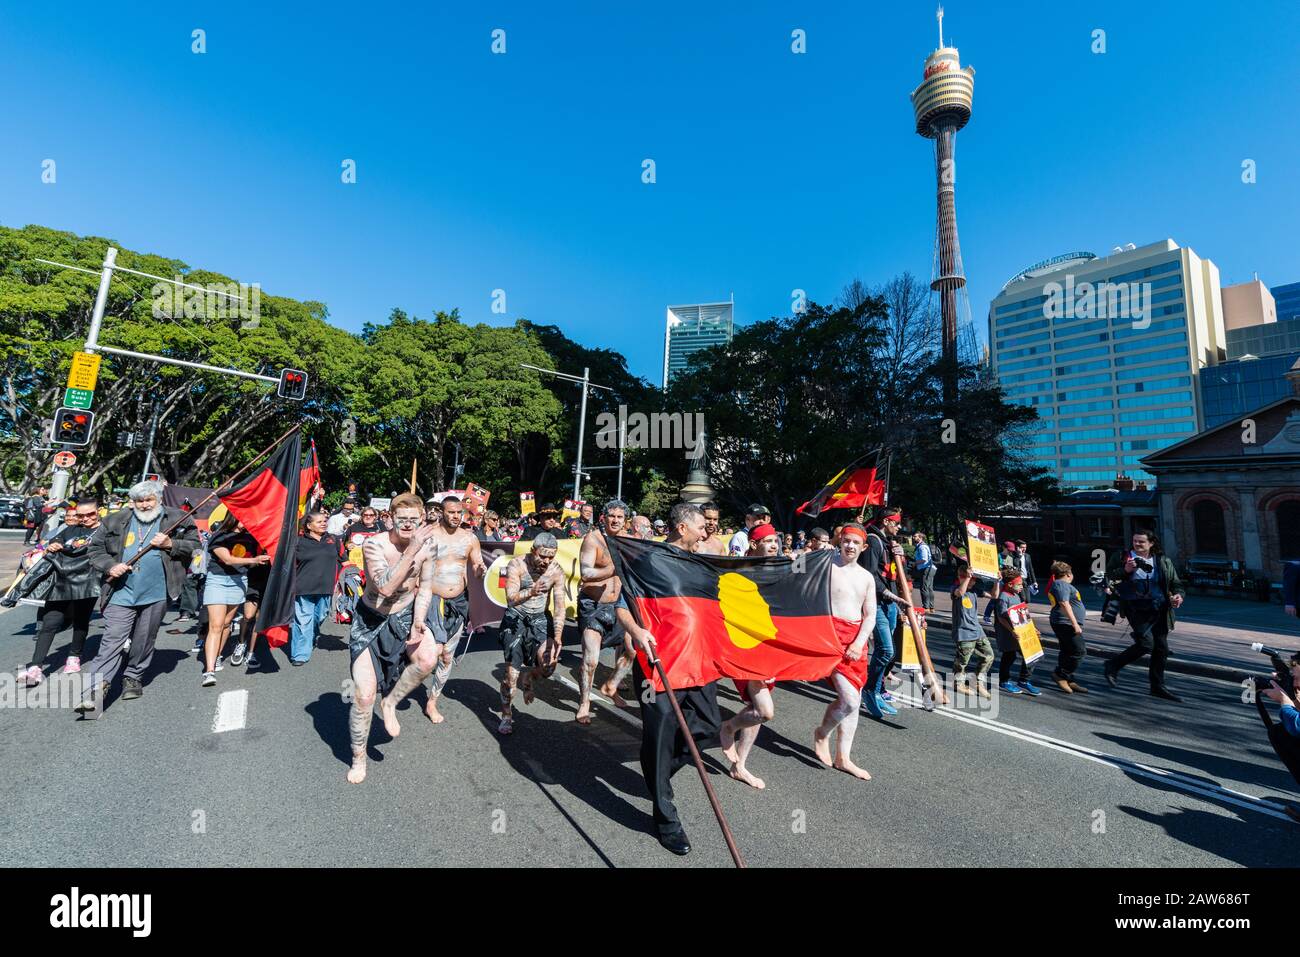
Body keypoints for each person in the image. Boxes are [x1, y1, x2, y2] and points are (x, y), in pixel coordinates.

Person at [615, 502, 721, 856]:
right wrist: (637, 631)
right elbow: (620, 605)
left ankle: (656, 772)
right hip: (657, 666)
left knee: (707, 728)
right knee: (659, 738)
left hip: (698, 662)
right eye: (700, 525)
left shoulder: (702, 565)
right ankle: (666, 820)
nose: (706, 531)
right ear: (680, 527)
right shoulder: (648, 560)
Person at [75, 480, 199, 715]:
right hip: (120, 592)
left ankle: (133, 676)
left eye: (148, 500)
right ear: (132, 502)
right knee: (112, 639)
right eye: (139, 501)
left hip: (157, 592)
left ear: (159, 499)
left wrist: (171, 543)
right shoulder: (115, 519)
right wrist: (110, 566)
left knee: (144, 639)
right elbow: (95, 550)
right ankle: (96, 688)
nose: (144, 505)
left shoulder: (177, 518)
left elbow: (195, 546)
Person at [346, 494, 438, 783]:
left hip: (404, 615)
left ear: (421, 520)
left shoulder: (429, 547)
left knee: (427, 660)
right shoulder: (375, 544)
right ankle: (358, 757)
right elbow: (385, 588)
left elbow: (424, 588)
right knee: (363, 695)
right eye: (402, 520)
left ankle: (391, 703)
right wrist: (411, 550)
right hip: (371, 619)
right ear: (390, 519)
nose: (408, 525)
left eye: (414, 520)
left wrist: (419, 622)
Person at [719, 522, 782, 789]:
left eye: (775, 541)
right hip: (745, 647)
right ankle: (728, 728)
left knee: (756, 708)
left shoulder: (779, 568)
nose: (773, 545)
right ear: (754, 544)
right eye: (767, 541)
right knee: (765, 711)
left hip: (770, 645)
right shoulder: (739, 570)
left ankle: (740, 766)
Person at [812, 522, 877, 781]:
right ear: (840, 541)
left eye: (856, 542)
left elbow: (870, 615)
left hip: (856, 641)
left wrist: (859, 642)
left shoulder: (866, 577)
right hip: (830, 638)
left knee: (855, 702)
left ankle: (843, 758)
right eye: (847, 540)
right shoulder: (825, 566)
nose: (850, 546)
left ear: (864, 547)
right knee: (849, 700)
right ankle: (822, 733)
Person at [15, 501, 102, 685]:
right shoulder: (70, 529)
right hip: (61, 580)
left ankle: (74, 656)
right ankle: (36, 667)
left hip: (87, 581)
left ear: (98, 512)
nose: (85, 518)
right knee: (50, 622)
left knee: (81, 620)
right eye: (80, 515)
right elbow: (54, 540)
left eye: (90, 514)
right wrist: (54, 544)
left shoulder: (105, 531)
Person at [420, 495, 488, 723]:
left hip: (458, 601)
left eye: (459, 513)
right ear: (441, 512)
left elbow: (477, 564)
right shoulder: (428, 535)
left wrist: (480, 570)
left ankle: (432, 700)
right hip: (431, 600)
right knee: (432, 652)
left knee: (447, 656)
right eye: (451, 512)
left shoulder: (469, 538)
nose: (456, 517)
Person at [1103, 529, 1186, 701]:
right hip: (1135, 607)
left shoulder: (1163, 561)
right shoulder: (1122, 557)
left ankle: (1157, 686)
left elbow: (1176, 583)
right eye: (1135, 541)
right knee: (1146, 644)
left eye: (1141, 541)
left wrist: (1179, 596)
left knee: (1161, 648)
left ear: (1151, 543)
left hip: (1160, 608)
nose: (1137, 544)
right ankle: (1113, 665)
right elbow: (1107, 578)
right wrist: (1125, 570)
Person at [497, 533, 566, 734]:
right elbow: (510, 599)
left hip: (539, 620)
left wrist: (559, 636)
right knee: (510, 677)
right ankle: (507, 714)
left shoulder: (556, 571)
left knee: (548, 666)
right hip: (515, 619)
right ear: (532, 551)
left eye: (550, 557)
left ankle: (529, 678)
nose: (546, 561)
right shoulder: (516, 565)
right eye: (542, 556)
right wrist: (532, 591)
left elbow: (560, 606)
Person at [576, 499, 633, 721]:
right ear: (604, 517)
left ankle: (612, 685)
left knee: (632, 649)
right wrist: (613, 567)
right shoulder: (593, 539)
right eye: (612, 516)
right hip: (593, 606)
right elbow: (586, 573)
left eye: (620, 517)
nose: (616, 520)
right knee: (591, 659)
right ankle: (584, 703)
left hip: (619, 604)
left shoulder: (628, 541)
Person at [200, 517, 269, 687]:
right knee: (215, 625)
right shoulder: (220, 536)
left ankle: (217, 657)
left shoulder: (251, 538)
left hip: (239, 581)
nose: (246, 521)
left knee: (226, 623)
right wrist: (254, 560)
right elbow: (228, 559)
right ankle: (209, 671)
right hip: (217, 580)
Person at [861, 507, 907, 719]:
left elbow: (893, 572)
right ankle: (869, 689)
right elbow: (870, 575)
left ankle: (878, 690)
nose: (898, 527)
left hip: (889, 603)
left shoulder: (888, 543)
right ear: (887, 521)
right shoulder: (873, 540)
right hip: (877, 602)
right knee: (886, 650)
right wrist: (890, 594)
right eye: (896, 523)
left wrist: (901, 555)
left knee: (888, 650)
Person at [290, 510, 343, 665]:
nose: (324, 523)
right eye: (319, 522)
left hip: (326, 588)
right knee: (303, 621)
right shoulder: (298, 542)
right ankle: (299, 655)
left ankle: (312, 635)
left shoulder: (333, 539)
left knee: (319, 617)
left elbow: (345, 561)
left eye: (324, 521)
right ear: (309, 525)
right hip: (303, 588)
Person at [994, 567, 1041, 696]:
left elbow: (1023, 613)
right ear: (1010, 584)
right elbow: (1000, 618)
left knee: (1032, 655)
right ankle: (1004, 681)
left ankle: (1024, 680)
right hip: (1008, 633)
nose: (1022, 586)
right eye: (1019, 584)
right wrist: (1011, 631)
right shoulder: (1003, 597)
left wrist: (1033, 628)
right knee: (1009, 656)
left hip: (1022, 631)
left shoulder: (1016, 595)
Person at [950, 562, 994, 697]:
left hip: (977, 630)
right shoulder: (954, 588)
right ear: (962, 577)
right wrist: (968, 577)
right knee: (962, 661)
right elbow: (960, 592)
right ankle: (959, 684)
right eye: (972, 578)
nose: (974, 581)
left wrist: (997, 581)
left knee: (989, 655)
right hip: (963, 632)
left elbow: (994, 596)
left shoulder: (975, 590)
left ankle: (978, 682)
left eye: (974, 578)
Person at [1047, 560, 1088, 694]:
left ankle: (1068, 679)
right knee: (1079, 651)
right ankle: (1061, 675)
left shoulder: (1060, 584)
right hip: (1065, 623)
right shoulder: (1061, 584)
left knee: (1067, 651)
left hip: (1064, 623)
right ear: (1069, 574)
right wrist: (1074, 623)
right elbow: (1064, 603)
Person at [912, 532, 936, 612]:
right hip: (930, 568)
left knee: (924, 588)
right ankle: (931, 607)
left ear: (920, 538)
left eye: (915, 536)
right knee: (929, 588)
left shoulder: (922, 547)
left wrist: (915, 563)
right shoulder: (921, 546)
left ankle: (926, 607)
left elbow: (924, 559)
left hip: (926, 568)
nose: (913, 537)